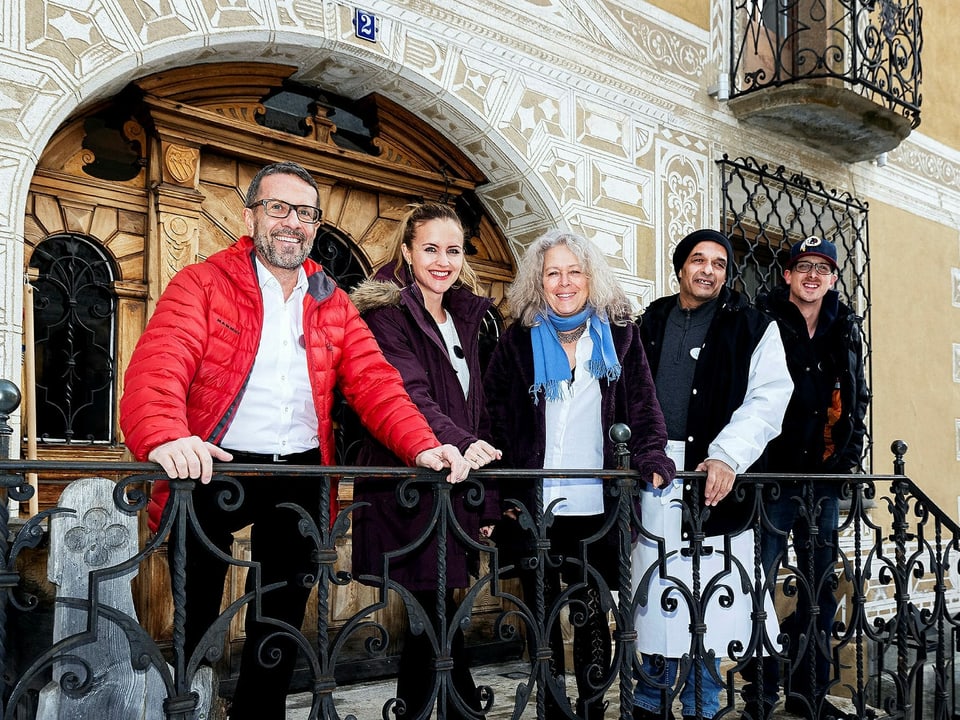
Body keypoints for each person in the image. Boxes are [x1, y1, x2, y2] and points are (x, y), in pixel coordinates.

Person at [119, 161, 469, 720]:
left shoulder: (333, 301)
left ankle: (259, 713)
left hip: (303, 471)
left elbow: (378, 384)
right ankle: (185, 704)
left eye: (305, 214)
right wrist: (166, 436)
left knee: (280, 617)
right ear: (251, 214)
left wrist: (422, 446)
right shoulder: (203, 282)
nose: (292, 223)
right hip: (211, 462)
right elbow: (158, 367)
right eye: (278, 208)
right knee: (195, 612)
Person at [484, 229, 676, 720]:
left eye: (574, 271)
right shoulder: (517, 341)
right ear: (538, 281)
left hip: (597, 508)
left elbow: (644, 408)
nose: (564, 282)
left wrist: (652, 457)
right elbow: (492, 421)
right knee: (541, 618)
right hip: (534, 508)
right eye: (553, 273)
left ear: (592, 278)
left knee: (593, 617)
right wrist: (490, 495)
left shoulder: (620, 335)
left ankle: (592, 709)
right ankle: (551, 707)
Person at [631, 229, 793, 720]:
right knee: (656, 593)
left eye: (719, 263)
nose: (707, 270)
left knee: (709, 601)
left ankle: (702, 704)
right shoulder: (648, 321)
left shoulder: (753, 326)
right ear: (680, 267)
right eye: (697, 260)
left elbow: (768, 399)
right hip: (654, 474)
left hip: (717, 477)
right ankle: (649, 700)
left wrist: (726, 456)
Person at [349, 202, 502, 719]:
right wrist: (463, 442)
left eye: (453, 250)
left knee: (437, 614)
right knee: (430, 613)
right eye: (430, 248)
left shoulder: (466, 315)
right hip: (410, 484)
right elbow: (407, 392)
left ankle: (435, 711)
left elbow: (475, 407)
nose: (443, 260)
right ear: (407, 251)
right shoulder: (387, 313)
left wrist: (485, 500)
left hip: (457, 484)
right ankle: (454, 712)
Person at [742, 236, 869, 720]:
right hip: (771, 480)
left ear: (833, 279)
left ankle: (808, 692)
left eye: (822, 268)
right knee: (759, 586)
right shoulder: (762, 320)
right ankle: (759, 694)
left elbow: (857, 395)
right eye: (803, 267)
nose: (812, 275)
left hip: (822, 481)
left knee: (818, 590)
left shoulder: (845, 327)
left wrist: (848, 460)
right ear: (788, 276)